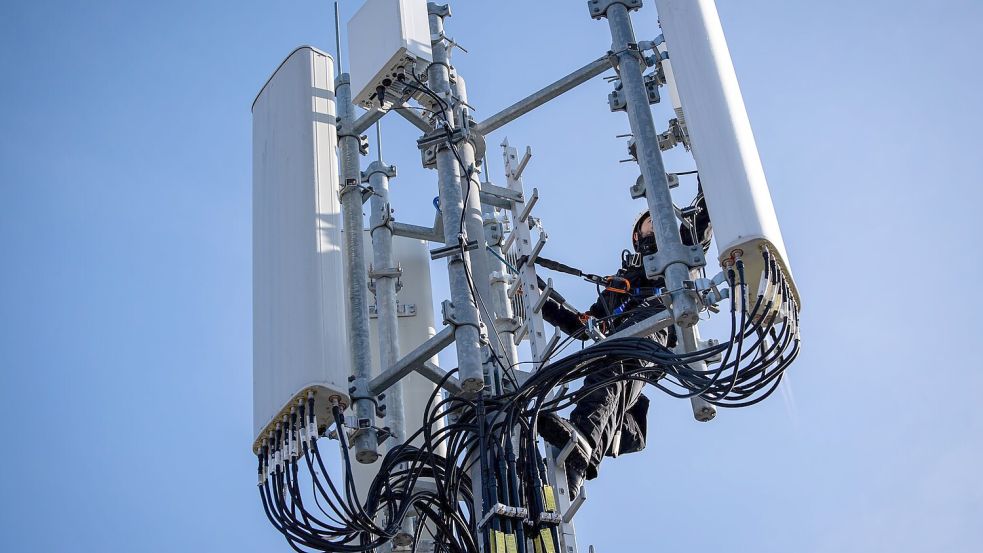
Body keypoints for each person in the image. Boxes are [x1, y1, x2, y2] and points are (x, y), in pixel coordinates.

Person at [538, 189, 712, 498]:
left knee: (617, 355)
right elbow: (583, 325)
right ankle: (578, 457)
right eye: (650, 223)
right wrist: (542, 299)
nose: (657, 225)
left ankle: (584, 441)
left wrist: (709, 167)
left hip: (656, 326)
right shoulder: (620, 285)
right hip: (621, 344)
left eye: (662, 221)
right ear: (637, 237)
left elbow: (705, 216)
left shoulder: (679, 251)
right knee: (607, 361)